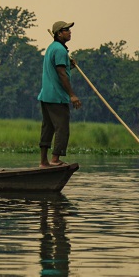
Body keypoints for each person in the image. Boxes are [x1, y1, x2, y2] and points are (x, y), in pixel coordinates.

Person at [38, 20, 82, 167]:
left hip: (46, 95)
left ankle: (44, 161)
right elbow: (62, 74)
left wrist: (70, 66)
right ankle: (55, 159)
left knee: (48, 128)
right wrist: (72, 95)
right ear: (58, 33)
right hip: (56, 97)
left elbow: (60, 69)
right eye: (66, 30)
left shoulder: (53, 48)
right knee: (62, 128)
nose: (69, 32)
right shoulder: (60, 50)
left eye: (69, 30)